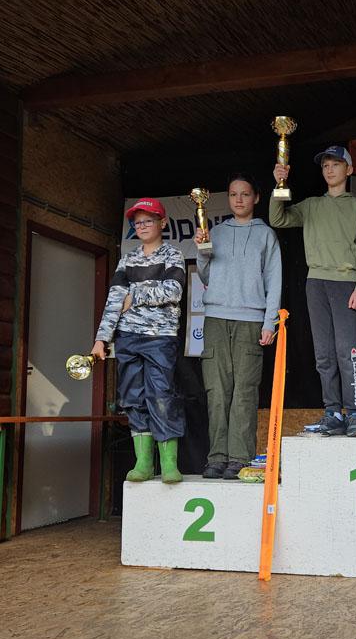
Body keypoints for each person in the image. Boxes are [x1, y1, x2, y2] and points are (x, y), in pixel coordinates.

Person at [270, 145, 356, 437]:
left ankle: (354, 414)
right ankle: (333, 412)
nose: (329, 169)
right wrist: (279, 185)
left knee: (347, 351)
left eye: (336, 164)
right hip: (316, 282)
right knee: (324, 353)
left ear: (349, 170)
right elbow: (278, 219)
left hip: (346, 283)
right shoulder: (312, 205)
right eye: (325, 165)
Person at [91, 197, 185, 484]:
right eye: (137, 222)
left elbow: (174, 291)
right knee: (132, 397)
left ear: (162, 223)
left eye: (148, 221)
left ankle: (169, 464)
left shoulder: (173, 255)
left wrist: (136, 295)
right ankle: (143, 462)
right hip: (127, 337)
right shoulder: (127, 258)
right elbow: (114, 300)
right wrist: (101, 338)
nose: (142, 226)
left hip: (160, 337)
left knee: (161, 396)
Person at [195, 173, 281, 479]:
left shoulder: (266, 235)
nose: (239, 199)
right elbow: (206, 276)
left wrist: (269, 322)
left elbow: (274, 280)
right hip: (216, 318)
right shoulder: (215, 232)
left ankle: (239, 457)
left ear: (256, 197)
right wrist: (201, 251)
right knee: (217, 391)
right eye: (233, 194)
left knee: (244, 391)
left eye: (245, 194)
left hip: (251, 320)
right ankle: (217, 456)